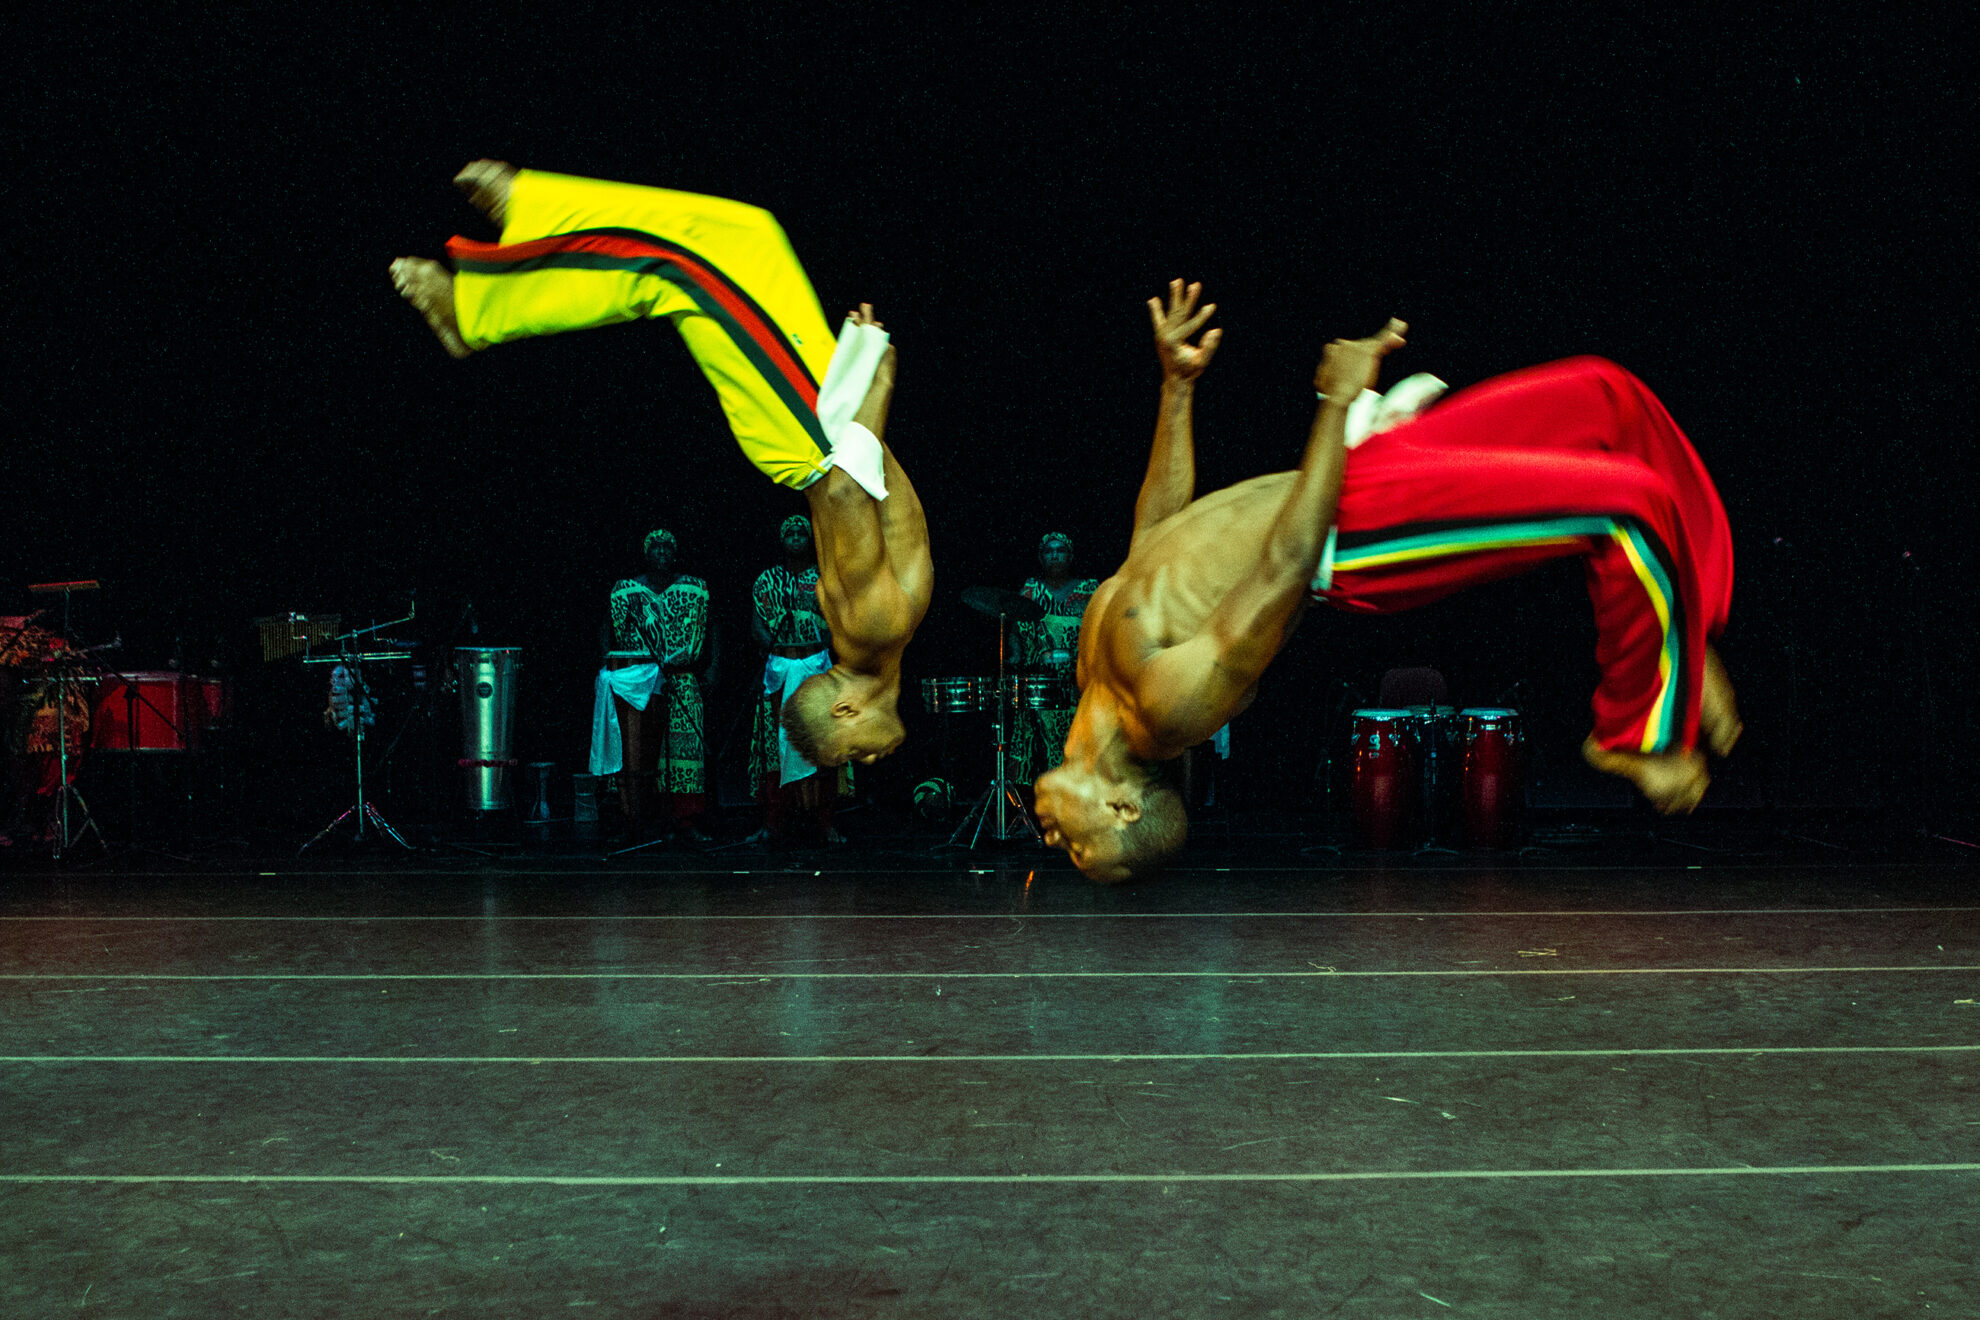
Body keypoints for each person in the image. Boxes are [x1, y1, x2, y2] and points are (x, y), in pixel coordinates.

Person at [1035, 280, 1742, 882]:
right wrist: (1334, 398)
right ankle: (1634, 736)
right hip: (1352, 538)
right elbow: (1287, 564)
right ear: (1122, 806)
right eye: (1077, 847)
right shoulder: (1167, 712)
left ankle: (1682, 631)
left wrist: (1177, 387)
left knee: (1605, 394)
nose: (1054, 842)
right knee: (1626, 507)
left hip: (1354, 471)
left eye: (1066, 848)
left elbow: (1155, 532)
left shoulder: (1094, 669)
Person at [391, 161, 929, 770]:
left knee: (682, 274)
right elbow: (864, 496)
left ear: (846, 710)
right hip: (826, 423)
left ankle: (475, 310)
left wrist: (879, 381)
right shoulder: (880, 637)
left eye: (855, 755)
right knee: (750, 236)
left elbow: (846, 494)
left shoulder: (874, 630)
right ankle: (536, 206)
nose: (872, 760)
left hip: (814, 432)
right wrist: (862, 375)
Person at [597, 528, 713, 843]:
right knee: (638, 749)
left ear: (675, 554)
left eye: (667, 548)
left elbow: (711, 627)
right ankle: (637, 821)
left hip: (681, 678)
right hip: (638, 681)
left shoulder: (694, 588)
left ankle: (685, 822)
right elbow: (607, 629)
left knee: (683, 749)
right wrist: (609, 668)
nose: (661, 553)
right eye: (655, 547)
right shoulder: (627, 590)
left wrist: (712, 668)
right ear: (646, 553)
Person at [746, 514, 848, 844]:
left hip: (815, 664)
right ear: (782, 540)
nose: (795, 538)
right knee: (776, 747)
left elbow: (838, 621)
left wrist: (820, 646)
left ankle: (825, 822)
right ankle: (774, 821)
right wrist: (776, 649)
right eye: (789, 533)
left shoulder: (824, 578)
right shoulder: (767, 581)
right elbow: (757, 626)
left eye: (800, 533)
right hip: (779, 668)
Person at [1008, 532, 1098, 783]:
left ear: (1070, 556)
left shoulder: (1089, 590)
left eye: (1060, 550)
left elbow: (1102, 631)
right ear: (1041, 557)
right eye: (1049, 551)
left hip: (1079, 685)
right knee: (1037, 747)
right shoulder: (1031, 590)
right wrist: (1015, 657)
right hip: (1040, 685)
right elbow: (1015, 632)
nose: (1055, 555)